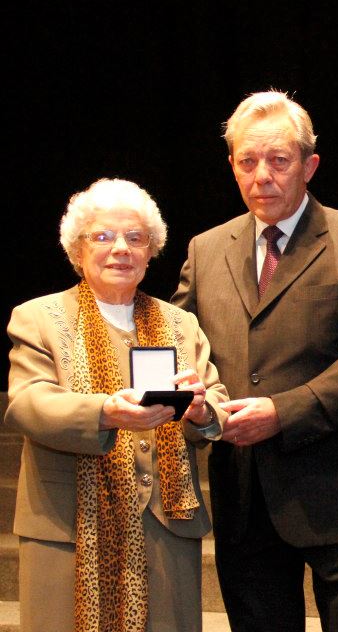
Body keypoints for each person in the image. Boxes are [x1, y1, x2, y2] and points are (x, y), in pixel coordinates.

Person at [172, 90, 338, 632]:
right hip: (242, 488)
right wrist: (191, 406)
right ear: (232, 166)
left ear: (309, 165)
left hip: (335, 486)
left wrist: (283, 412)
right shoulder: (205, 250)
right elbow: (180, 348)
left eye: (278, 160)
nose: (262, 176)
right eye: (247, 161)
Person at [3, 178, 227, 631]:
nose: (120, 249)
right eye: (103, 236)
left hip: (165, 527)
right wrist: (105, 413)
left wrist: (202, 412)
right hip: (69, 528)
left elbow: (216, 401)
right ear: (78, 249)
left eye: (135, 238)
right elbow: (27, 403)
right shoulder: (39, 318)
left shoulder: (181, 323)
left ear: (150, 251)